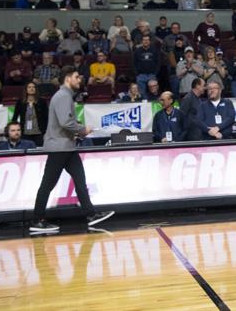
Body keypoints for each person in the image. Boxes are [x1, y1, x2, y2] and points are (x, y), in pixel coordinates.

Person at [31, 66, 114, 233]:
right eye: (76, 77)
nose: (79, 80)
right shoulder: (62, 96)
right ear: (67, 78)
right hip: (59, 148)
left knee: (80, 180)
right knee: (48, 184)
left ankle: (90, 215)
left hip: (66, 146)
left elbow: (65, 125)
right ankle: (37, 220)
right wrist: (83, 130)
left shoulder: (65, 96)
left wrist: (76, 135)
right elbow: (65, 122)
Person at [13, 81, 48, 147]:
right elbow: (15, 117)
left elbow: (46, 118)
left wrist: (45, 132)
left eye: (33, 87)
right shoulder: (20, 102)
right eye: (29, 87)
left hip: (39, 133)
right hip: (25, 133)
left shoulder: (42, 102)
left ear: (36, 89)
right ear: (26, 89)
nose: (31, 89)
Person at [133, 35, 160, 100]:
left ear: (150, 41)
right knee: (142, 94)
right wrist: (136, 74)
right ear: (142, 41)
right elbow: (133, 63)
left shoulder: (155, 50)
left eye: (147, 40)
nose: (146, 41)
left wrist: (155, 73)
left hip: (152, 75)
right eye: (144, 40)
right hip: (141, 75)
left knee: (154, 93)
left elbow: (158, 62)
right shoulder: (137, 51)